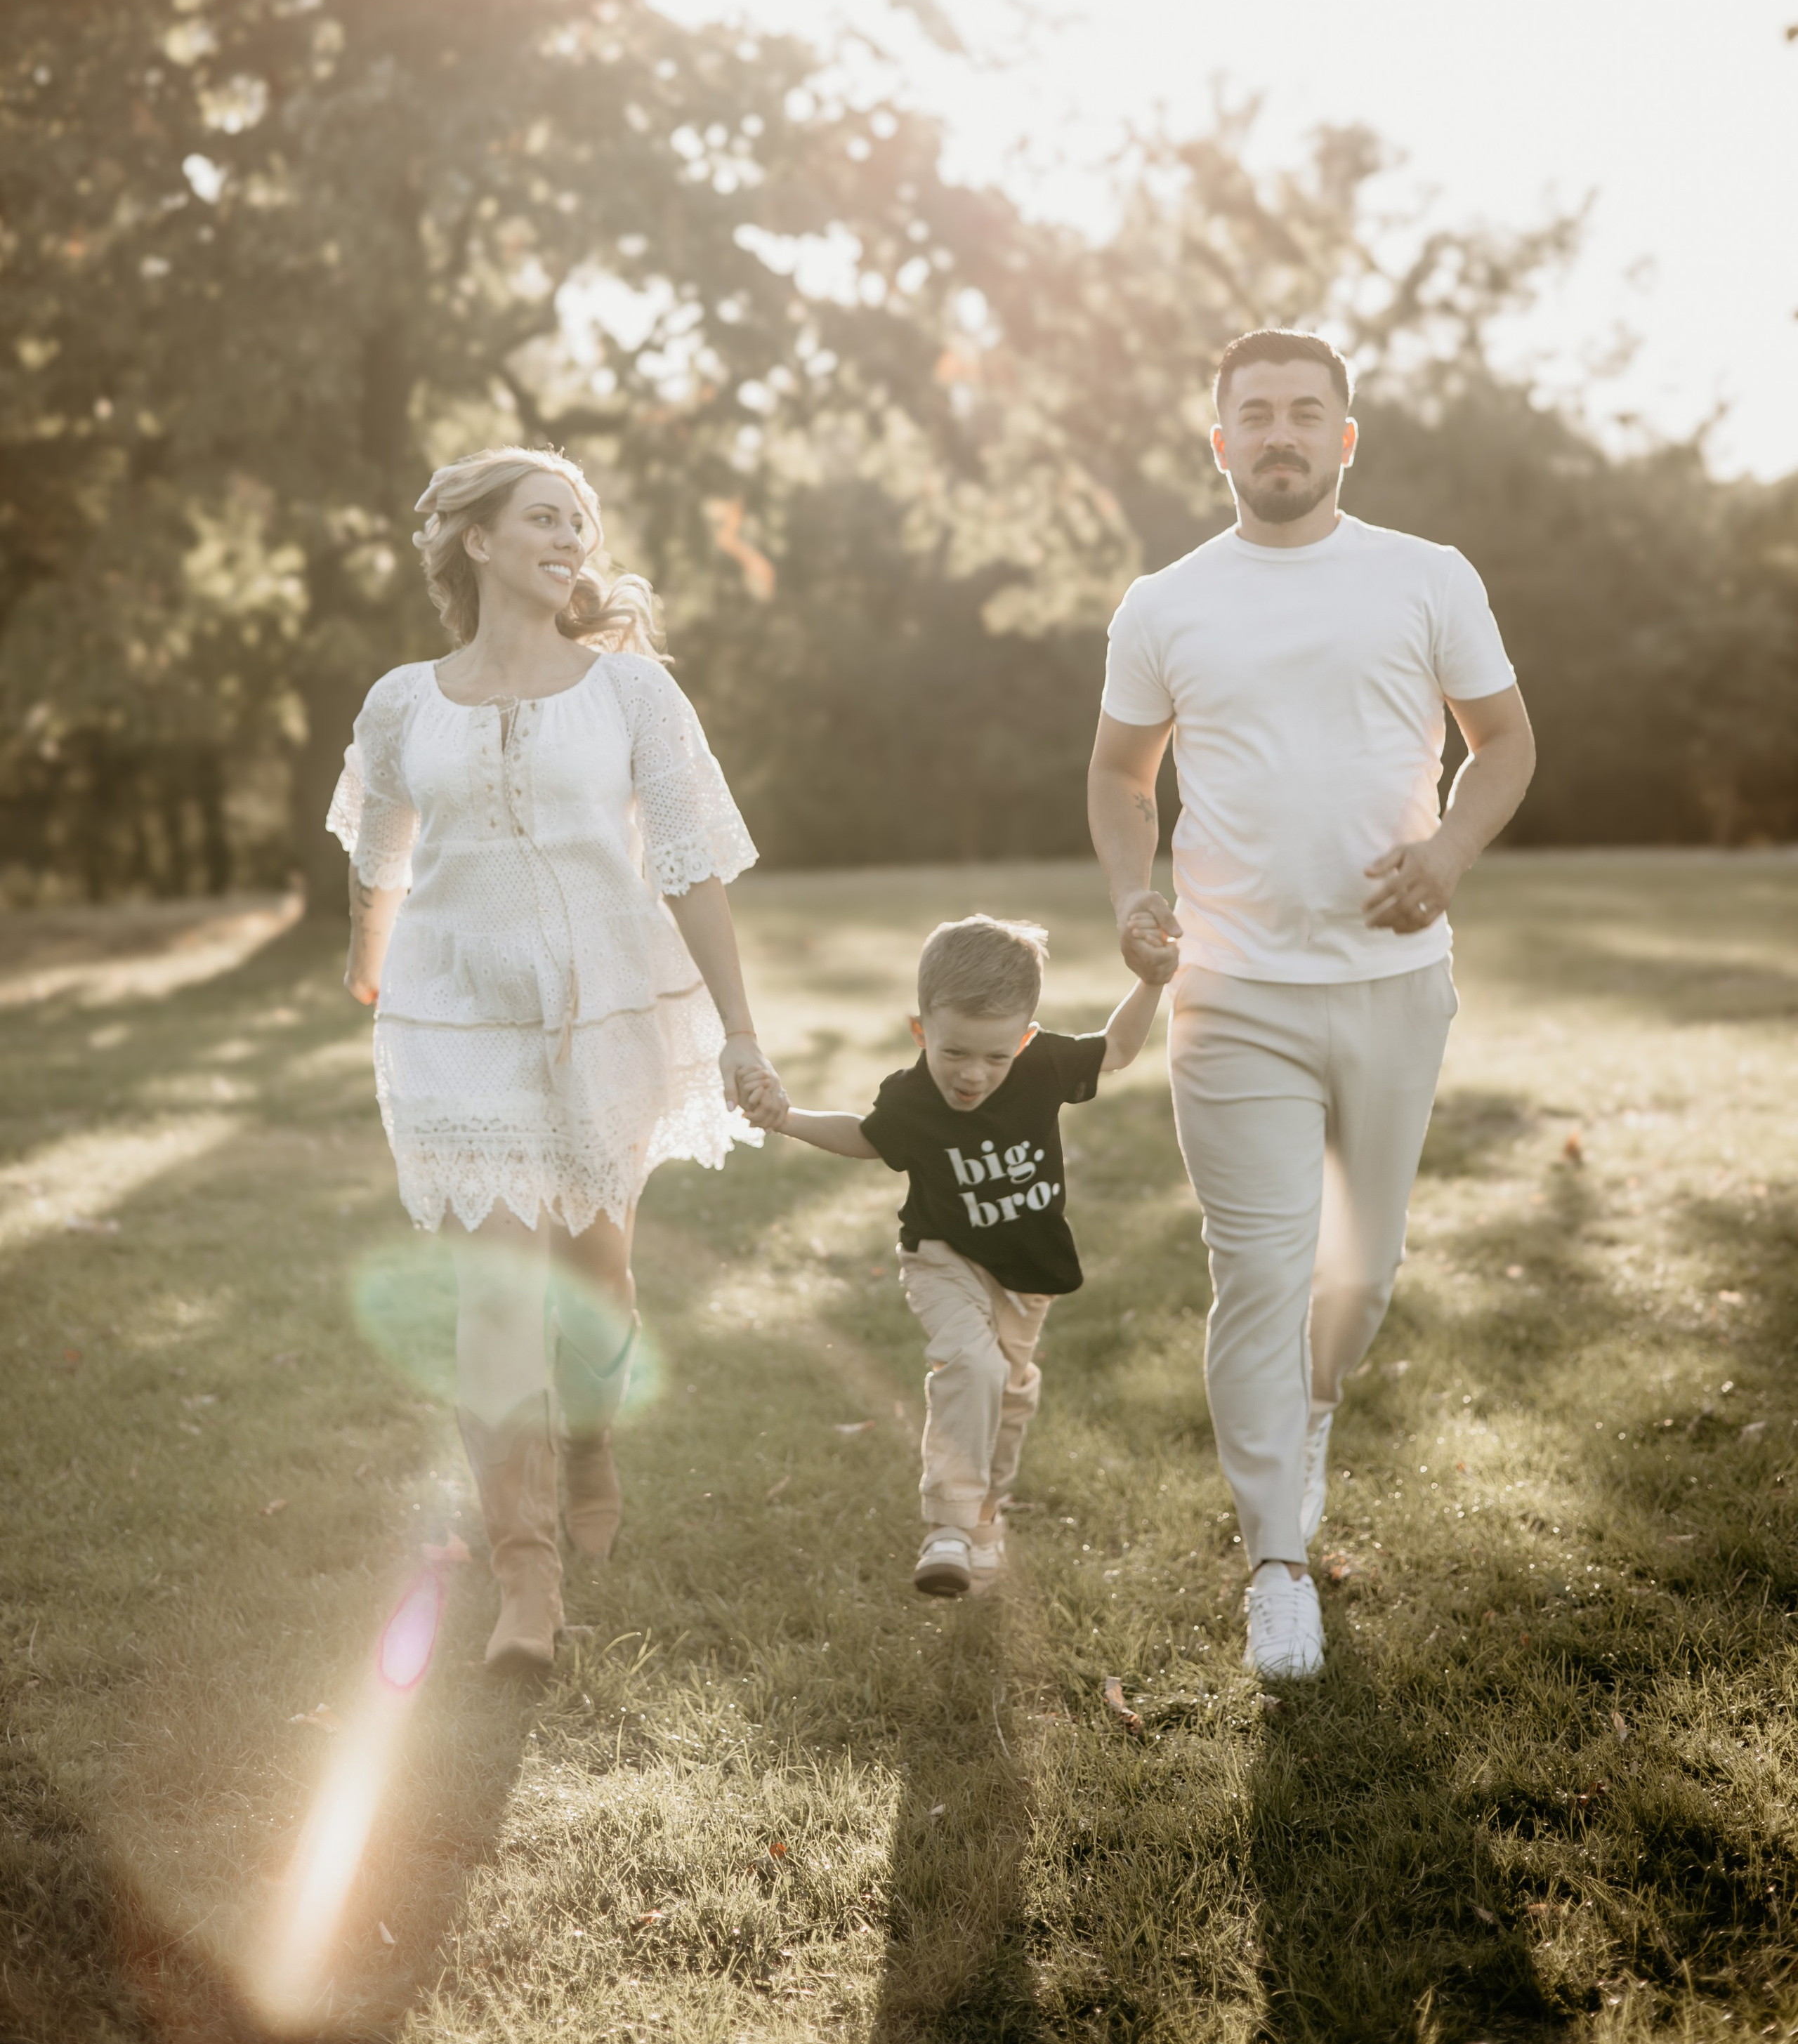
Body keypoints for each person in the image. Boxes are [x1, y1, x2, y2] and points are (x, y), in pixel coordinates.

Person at [1087, 329, 1535, 1680]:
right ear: (1218, 443)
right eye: (1254, 415)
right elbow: (1121, 777)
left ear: (1347, 436)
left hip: (1395, 990)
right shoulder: (1164, 603)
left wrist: (1449, 857)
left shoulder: (1427, 576)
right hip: (1231, 994)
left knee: (1359, 1276)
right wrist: (1132, 895)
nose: (1280, 434)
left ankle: (1312, 1417)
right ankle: (1276, 1559)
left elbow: (1504, 742)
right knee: (1261, 1274)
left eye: (1305, 412)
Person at [330, 445, 785, 1674]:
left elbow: (690, 863)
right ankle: (524, 1585)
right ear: (475, 541)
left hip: (601, 1015)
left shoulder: (634, 699)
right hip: (456, 1022)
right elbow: (381, 847)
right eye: (544, 517)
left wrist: (740, 1028)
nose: (571, 539)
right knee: (492, 1295)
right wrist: (369, 960)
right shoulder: (402, 702)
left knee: (595, 1279)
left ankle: (591, 1432)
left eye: (580, 523)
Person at [763, 913, 1167, 1597]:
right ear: (920, 1030)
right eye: (953, 1054)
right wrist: (786, 1117)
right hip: (942, 1257)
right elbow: (866, 1137)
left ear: (1026, 1039)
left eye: (995, 1057)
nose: (973, 1076)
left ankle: (983, 1519)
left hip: (1026, 1272)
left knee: (1007, 1395)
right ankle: (946, 1525)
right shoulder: (911, 1098)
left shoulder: (1041, 1066)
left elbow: (1120, 1048)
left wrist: (1150, 982)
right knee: (969, 1363)